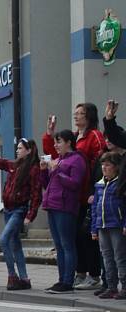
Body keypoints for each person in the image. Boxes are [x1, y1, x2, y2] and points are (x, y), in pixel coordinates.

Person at [44, 104, 106, 290]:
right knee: (70, 241)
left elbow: (99, 163)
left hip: (81, 196)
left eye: (81, 114)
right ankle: (72, 275)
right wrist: (49, 134)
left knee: (83, 238)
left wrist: (94, 190)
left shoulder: (92, 136)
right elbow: (53, 157)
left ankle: (89, 275)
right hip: (58, 202)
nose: (77, 117)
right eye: (75, 114)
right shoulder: (73, 139)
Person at [0, 136, 42, 290]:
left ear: (29, 150)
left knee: (4, 239)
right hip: (8, 209)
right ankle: (24, 278)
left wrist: (30, 215)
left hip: (19, 210)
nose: (17, 151)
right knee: (15, 244)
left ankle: (12, 275)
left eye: (20, 148)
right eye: (17, 148)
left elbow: (36, 194)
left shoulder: (33, 169)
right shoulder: (14, 165)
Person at [40, 130, 88, 293]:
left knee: (67, 244)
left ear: (69, 142)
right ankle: (61, 280)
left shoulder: (77, 160)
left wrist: (57, 170)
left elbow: (75, 184)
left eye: (59, 141)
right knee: (59, 245)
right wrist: (44, 170)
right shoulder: (58, 160)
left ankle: (68, 281)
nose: (55, 145)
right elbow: (47, 184)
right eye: (55, 142)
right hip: (52, 205)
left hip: (66, 206)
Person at [90, 151, 126, 299]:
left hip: (116, 225)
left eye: (108, 165)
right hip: (102, 225)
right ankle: (111, 286)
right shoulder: (99, 185)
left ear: (116, 167)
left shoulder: (120, 184)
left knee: (120, 257)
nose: (104, 168)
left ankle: (124, 286)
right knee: (107, 257)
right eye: (102, 165)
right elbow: (94, 209)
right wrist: (94, 228)